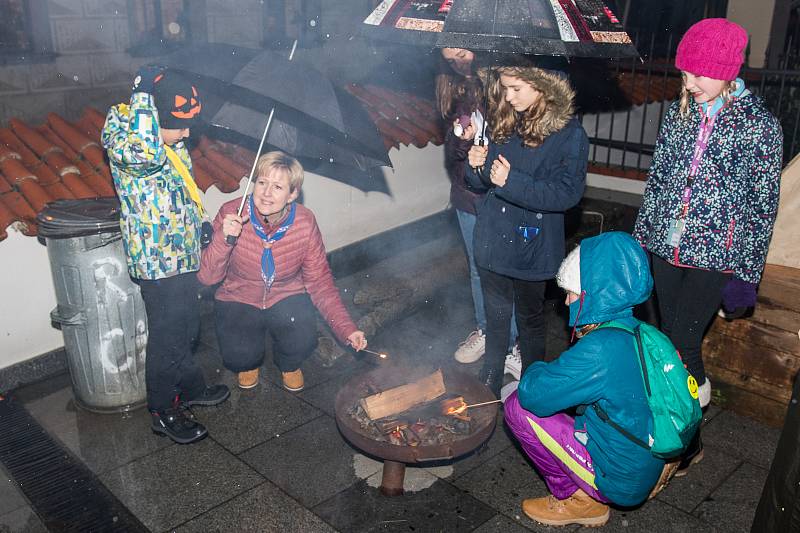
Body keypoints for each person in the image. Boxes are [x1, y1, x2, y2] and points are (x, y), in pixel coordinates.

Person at [633, 18, 783, 472]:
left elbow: (762, 207)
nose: (688, 83)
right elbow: (657, 182)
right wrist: (643, 241)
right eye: (684, 73)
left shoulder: (760, 126)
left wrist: (747, 275)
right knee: (664, 340)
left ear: (727, 70)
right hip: (665, 246)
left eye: (698, 74)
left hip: (714, 256)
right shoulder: (679, 113)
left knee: (684, 344)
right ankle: (673, 422)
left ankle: (687, 437)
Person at [504, 232, 667, 527]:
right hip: (649, 456)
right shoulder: (643, 331)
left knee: (517, 406)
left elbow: (533, 394)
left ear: (597, 291)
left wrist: (537, 367)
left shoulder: (601, 349)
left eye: (572, 292)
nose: (566, 301)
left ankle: (578, 501)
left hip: (621, 477)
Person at [102, 67, 230, 445]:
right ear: (154, 116)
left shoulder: (168, 143)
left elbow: (181, 186)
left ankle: (189, 387)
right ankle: (162, 408)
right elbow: (145, 153)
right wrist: (142, 95)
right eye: (180, 125)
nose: (189, 133)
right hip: (157, 262)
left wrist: (201, 220)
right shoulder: (128, 142)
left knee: (187, 329)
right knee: (168, 337)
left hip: (182, 253)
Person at [461, 58, 588, 396]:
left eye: (516, 89)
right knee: (496, 313)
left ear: (542, 86)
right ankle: (491, 370)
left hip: (532, 244)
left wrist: (510, 181)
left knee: (531, 319)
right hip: (493, 238)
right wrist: (474, 166)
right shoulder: (504, 117)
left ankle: (533, 385)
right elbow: (480, 182)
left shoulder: (568, 133)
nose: (509, 96)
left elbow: (567, 194)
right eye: (505, 88)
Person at [198, 151, 368, 392]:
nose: (266, 193)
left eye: (277, 187)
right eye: (262, 182)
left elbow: (320, 282)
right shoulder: (231, 212)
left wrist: (347, 329)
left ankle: (289, 364)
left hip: (285, 293)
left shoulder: (304, 222)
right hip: (239, 294)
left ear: (293, 194)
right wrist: (224, 239)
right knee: (239, 357)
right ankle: (249, 361)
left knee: (302, 339)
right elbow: (206, 277)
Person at [437, 48, 520, 368]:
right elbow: (455, 151)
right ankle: (486, 330)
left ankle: (512, 343)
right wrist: (462, 136)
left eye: (461, 52)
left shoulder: (507, 82)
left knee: (505, 269)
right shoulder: (456, 88)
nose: (457, 60)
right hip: (468, 195)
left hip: (502, 194)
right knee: (477, 267)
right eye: (449, 56)